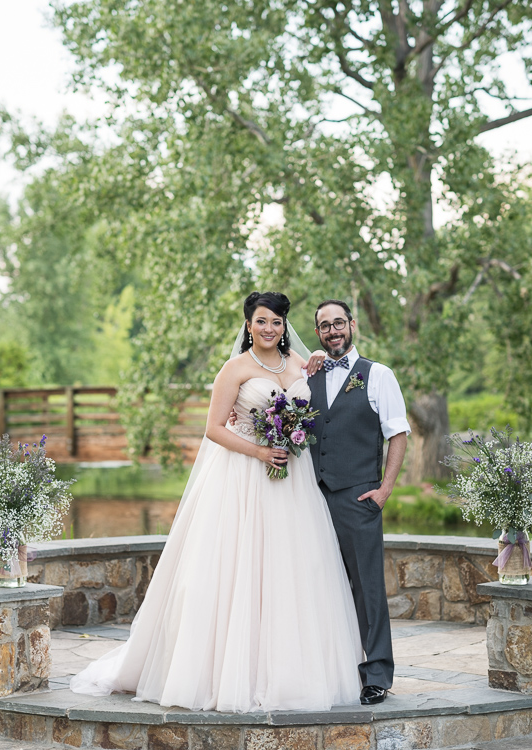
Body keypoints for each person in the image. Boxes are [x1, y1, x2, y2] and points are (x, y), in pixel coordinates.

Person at [70, 291, 363, 713]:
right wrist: (260, 451)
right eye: (261, 321)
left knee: (295, 569)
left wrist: (316, 357)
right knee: (236, 568)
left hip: (293, 482)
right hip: (244, 477)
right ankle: (227, 672)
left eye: (277, 322)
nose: (269, 328)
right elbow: (213, 429)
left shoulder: (299, 363)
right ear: (248, 325)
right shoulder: (235, 368)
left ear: (285, 326)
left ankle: (292, 672)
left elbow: (327, 381)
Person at [308, 300, 410, 705]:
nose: (333, 331)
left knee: (367, 588)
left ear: (352, 325)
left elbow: (397, 434)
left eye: (339, 323)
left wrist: (385, 489)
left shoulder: (378, 374)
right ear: (318, 333)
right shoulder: (308, 376)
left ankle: (377, 674)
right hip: (312, 499)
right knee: (317, 583)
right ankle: (328, 668)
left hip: (359, 496)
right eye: (324, 326)